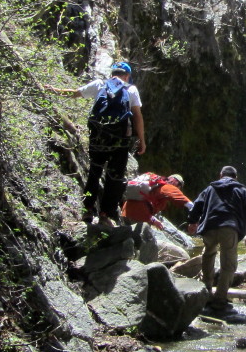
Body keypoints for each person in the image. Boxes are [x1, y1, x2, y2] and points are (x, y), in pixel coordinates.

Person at [46, 62, 145, 226]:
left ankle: (87, 210)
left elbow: (74, 93)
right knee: (114, 178)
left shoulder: (100, 84)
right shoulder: (131, 89)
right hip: (120, 143)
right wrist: (142, 139)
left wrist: (53, 90)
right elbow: (137, 117)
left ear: (112, 73)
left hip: (98, 139)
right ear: (127, 76)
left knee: (94, 173)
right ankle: (106, 213)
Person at [188, 165, 246, 318]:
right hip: (229, 228)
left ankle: (206, 290)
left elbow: (197, 204)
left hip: (210, 226)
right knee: (228, 264)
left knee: (208, 254)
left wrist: (192, 221)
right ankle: (220, 299)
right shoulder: (241, 189)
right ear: (235, 177)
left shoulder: (210, 188)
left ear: (220, 175)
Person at [121, 173, 192, 228]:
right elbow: (182, 199)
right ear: (177, 183)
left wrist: (153, 220)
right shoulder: (167, 187)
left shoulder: (154, 182)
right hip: (138, 215)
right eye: (179, 187)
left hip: (126, 211)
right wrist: (195, 209)